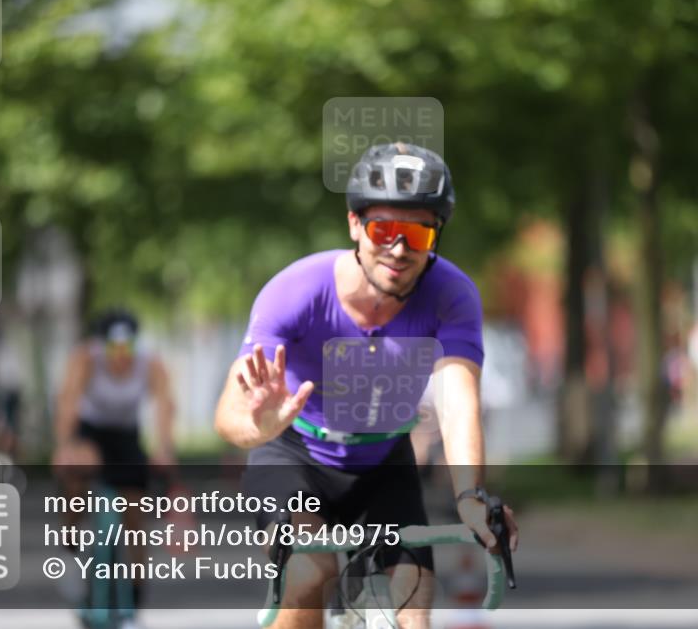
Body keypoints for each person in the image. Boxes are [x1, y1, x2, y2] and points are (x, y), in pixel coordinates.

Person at [214, 142, 519, 629]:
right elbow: (228, 414)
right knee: (310, 574)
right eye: (384, 230)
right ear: (355, 225)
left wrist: (470, 497)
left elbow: (459, 404)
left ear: (436, 236)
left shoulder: (452, 296)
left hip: (383, 461)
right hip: (295, 456)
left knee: (412, 608)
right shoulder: (297, 291)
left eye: (417, 234)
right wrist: (260, 425)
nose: (399, 249)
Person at [51, 308, 177, 616]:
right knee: (78, 472)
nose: (121, 356)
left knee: (135, 516)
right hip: (91, 433)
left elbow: (165, 408)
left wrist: (164, 449)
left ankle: (133, 598)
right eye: (113, 348)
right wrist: (65, 446)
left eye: (127, 347)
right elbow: (68, 401)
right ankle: (71, 544)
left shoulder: (150, 363)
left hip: (126, 436)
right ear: (101, 344)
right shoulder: (86, 359)